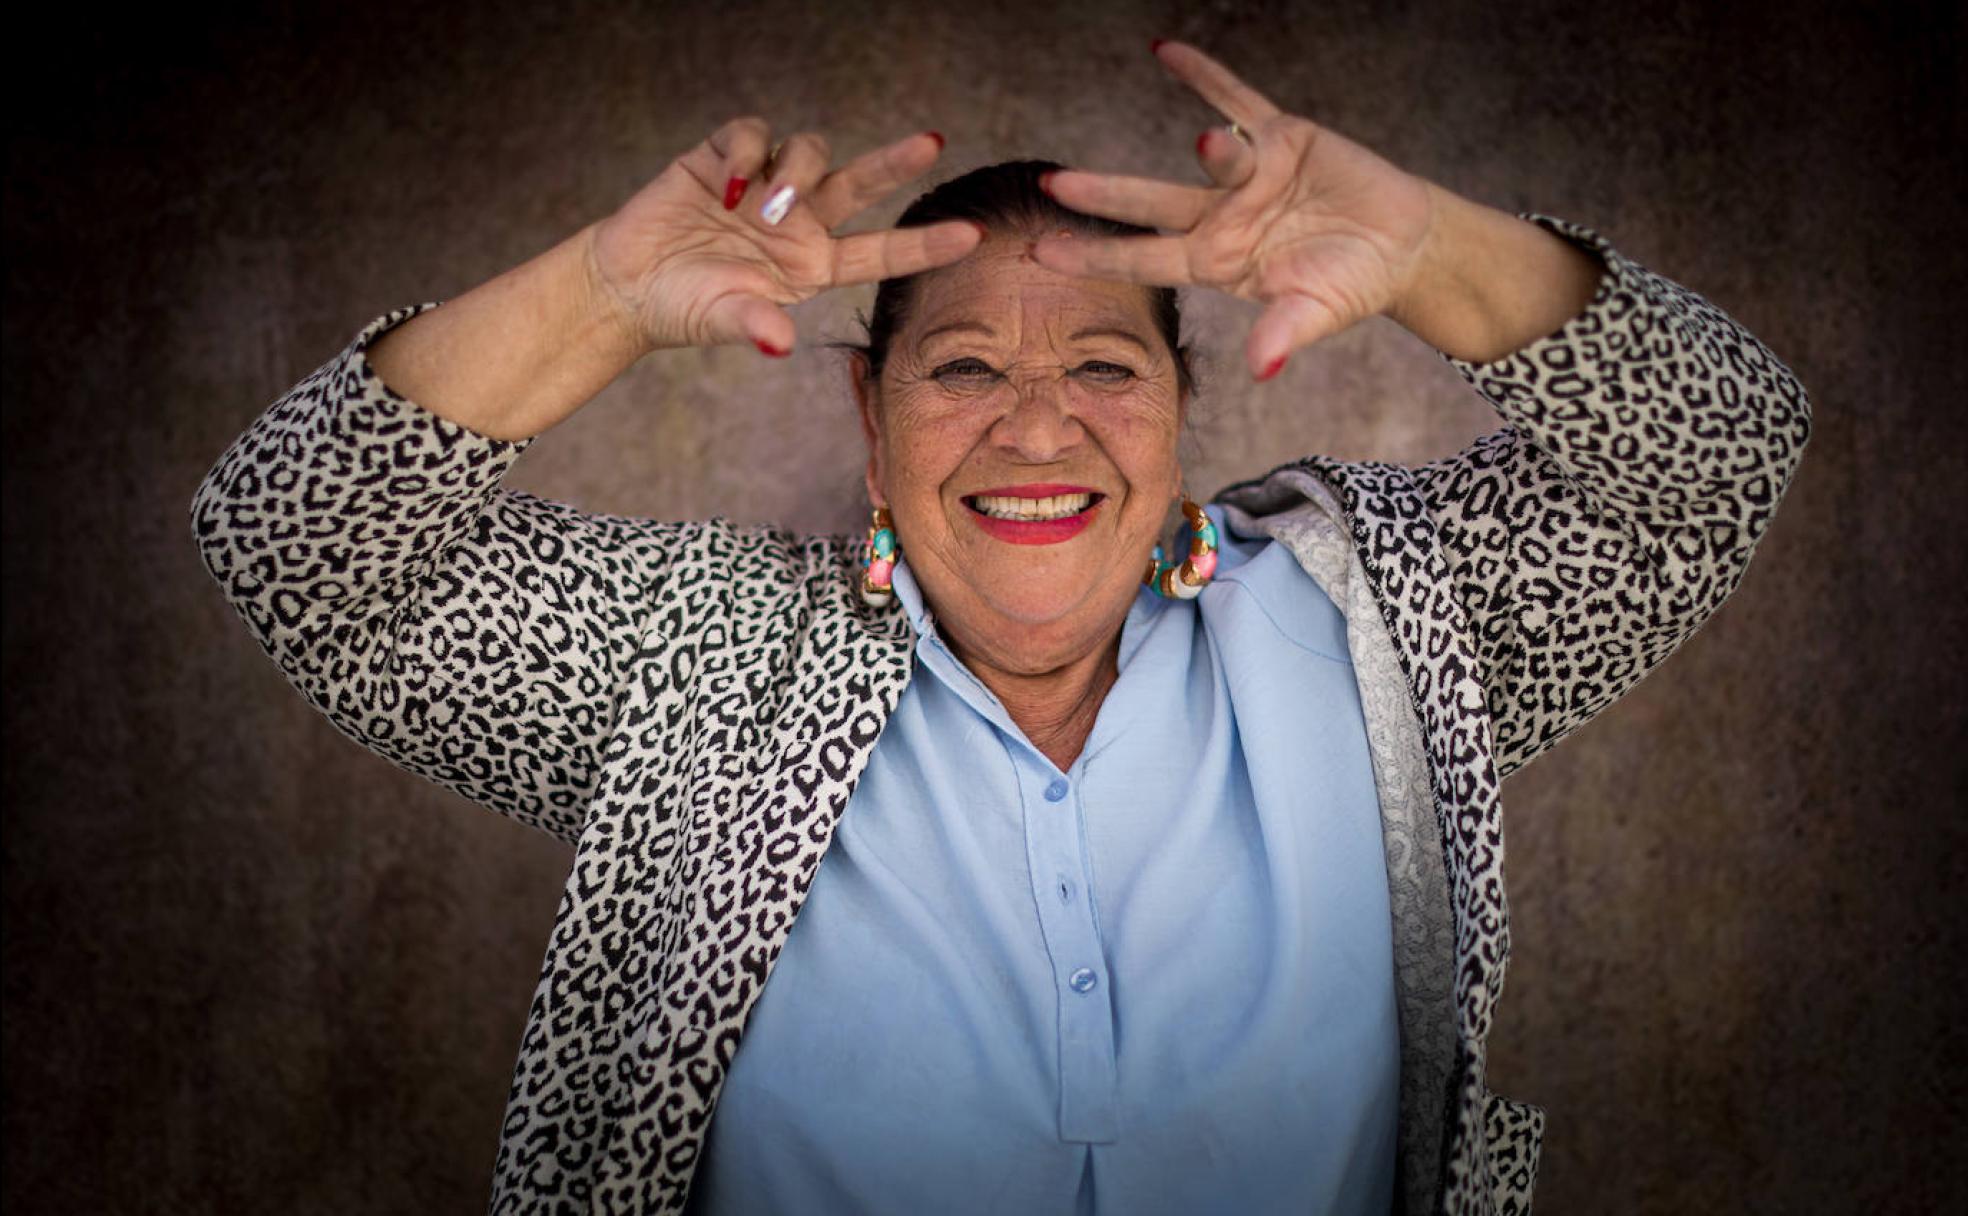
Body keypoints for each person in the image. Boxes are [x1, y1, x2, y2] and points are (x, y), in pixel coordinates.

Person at [189, 38, 1810, 1216]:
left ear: (1180, 408)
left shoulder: (1378, 622)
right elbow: (295, 545)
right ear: (872, 420)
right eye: (964, 367)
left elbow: (1720, 455)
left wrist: (1432, 250)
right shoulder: (705, 664)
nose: (1038, 429)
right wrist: (603, 298)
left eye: (1103, 365)